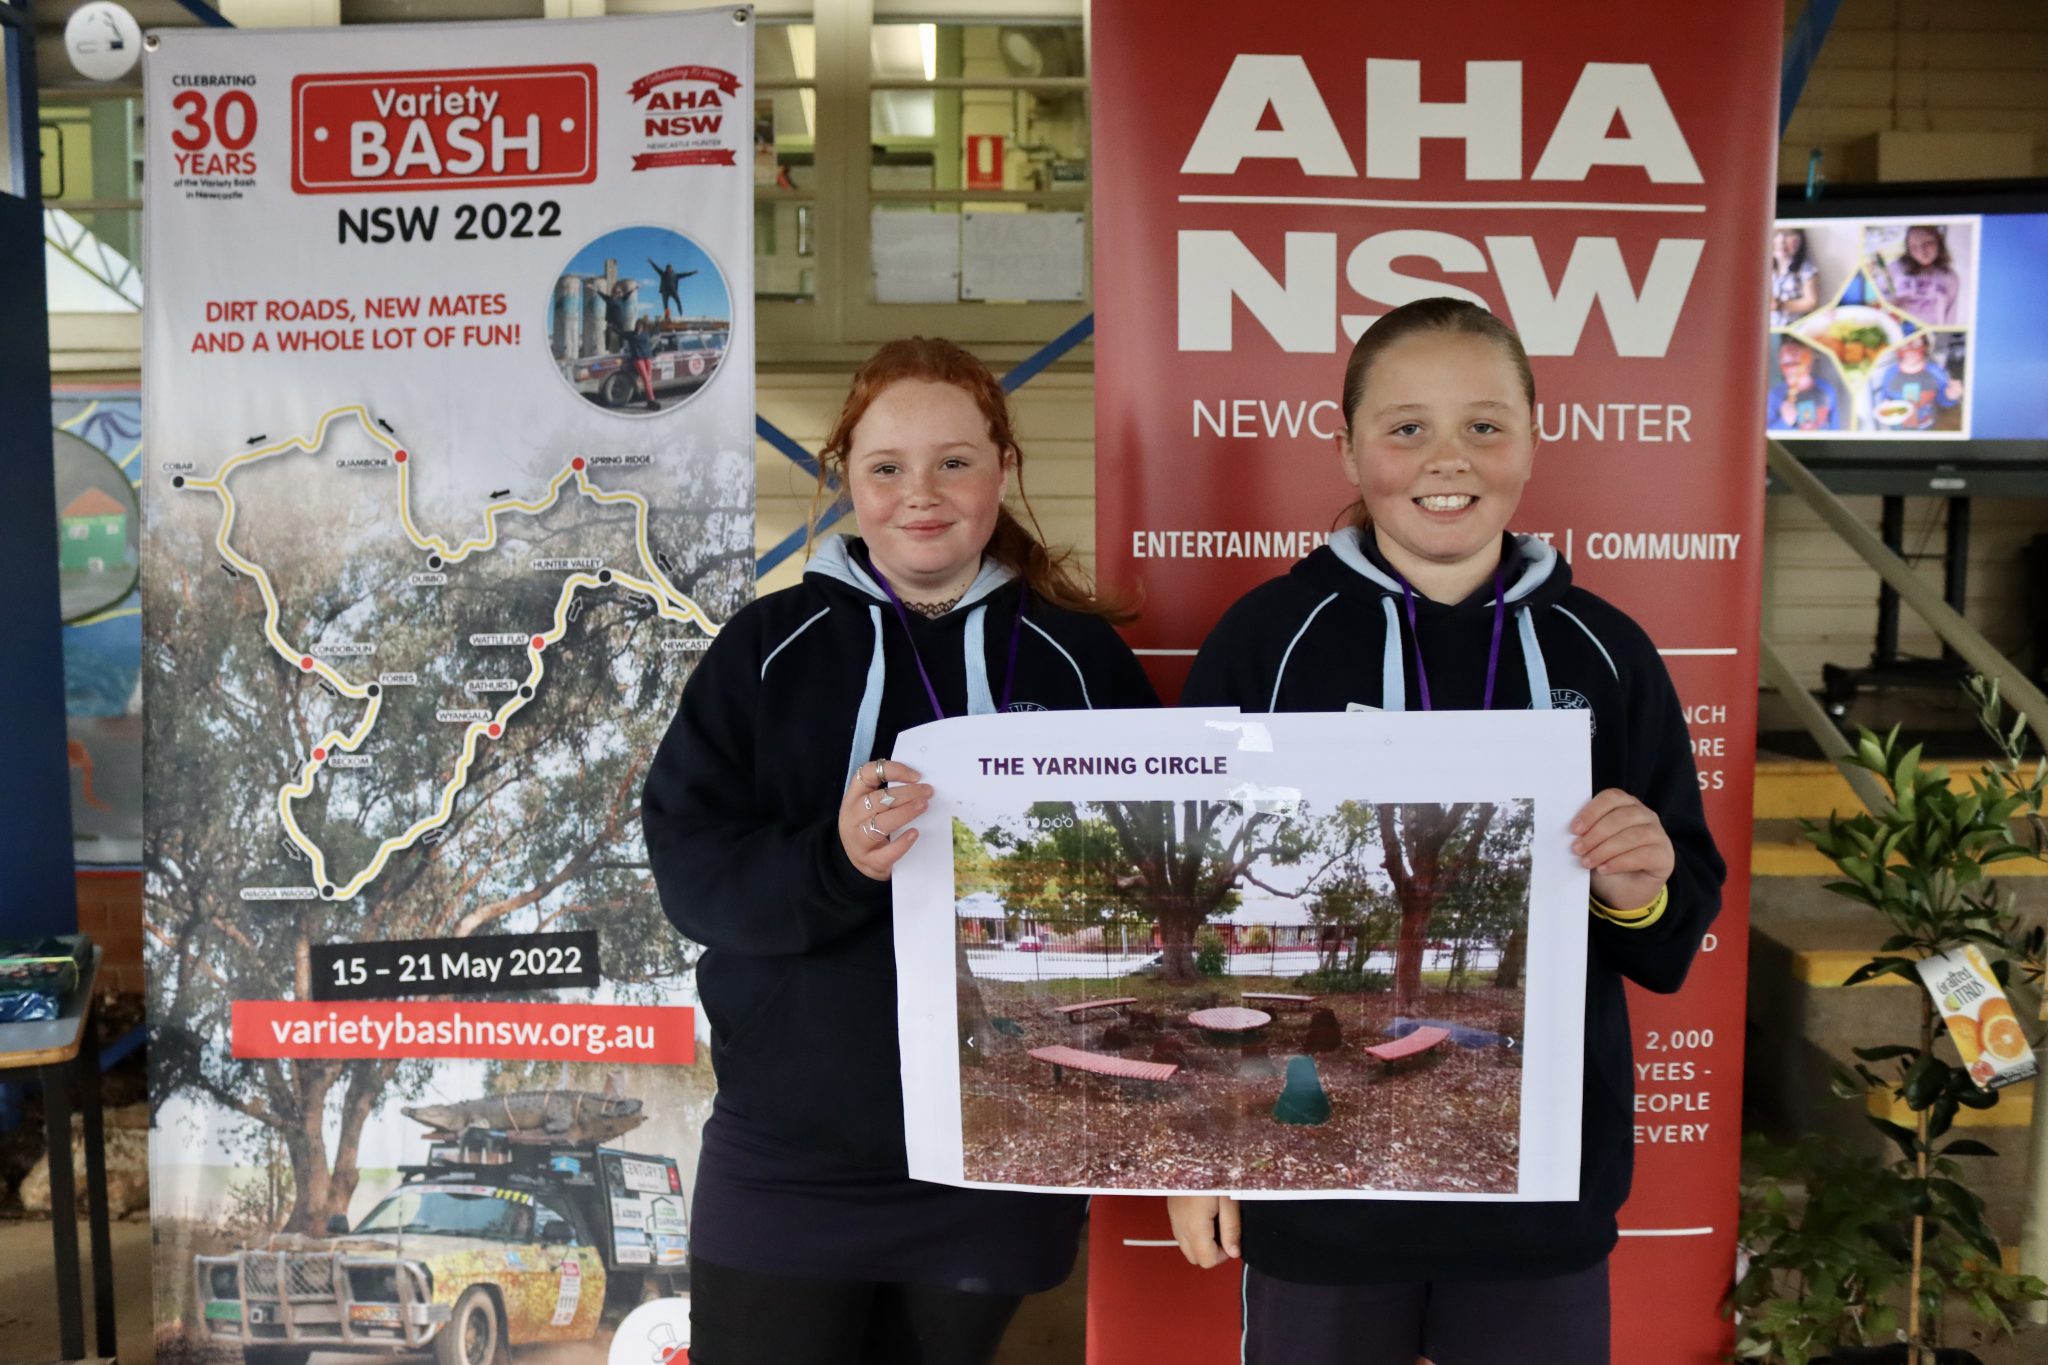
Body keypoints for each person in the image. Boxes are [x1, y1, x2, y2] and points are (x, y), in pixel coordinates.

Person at [1168, 297, 1725, 1365]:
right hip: (1315, 1201)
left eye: (1483, 424)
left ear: (1533, 438)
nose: (1447, 457)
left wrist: (1638, 889)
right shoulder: (1265, 642)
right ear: (1347, 447)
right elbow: (1208, 915)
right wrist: (1200, 1151)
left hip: (1540, 1196)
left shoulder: (1606, 651)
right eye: (1406, 426)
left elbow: (1666, 937)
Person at [641, 337, 1158, 1364]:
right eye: (887, 467)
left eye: (954, 462)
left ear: (1004, 468)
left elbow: (1147, 876)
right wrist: (833, 862)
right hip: (790, 1151)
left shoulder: (1080, 658)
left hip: (999, 1148)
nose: (921, 493)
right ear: (847, 479)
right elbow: (692, 875)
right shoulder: (765, 648)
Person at [1869, 334, 1963, 431]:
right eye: (1904, 345)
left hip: (1925, 427)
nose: (1910, 350)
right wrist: (1885, 402)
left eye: (1916, 343)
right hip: (1897, 428)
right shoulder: (1890, 372)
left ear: (1925, 346)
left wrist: (1950, 395)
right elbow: (1885, 395)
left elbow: (1943, 399)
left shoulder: (1935, 372)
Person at [1878, 224, 1961, 326]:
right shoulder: (1895, 268)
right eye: (1914, 247)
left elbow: (1950, 317)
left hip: (1931, 333)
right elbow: (1875, 298)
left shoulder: (1950, 277)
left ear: (1939, 242)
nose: (1922, 251)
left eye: (1927, 243)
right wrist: (1888, 302)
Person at [1767, 338, 1843, 432]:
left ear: (1809, 360)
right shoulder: (1775, 395)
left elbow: (1835, 428)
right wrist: (1784, 422)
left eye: (1796, 362)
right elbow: (1765, 434)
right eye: (1787, 363)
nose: (1792, 369)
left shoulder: (1826, 389)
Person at [1768, 227, 1820, 327]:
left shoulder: (1805, 269)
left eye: (1788, 234)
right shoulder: (1767, 270)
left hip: (1794, 327)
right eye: (1775, 234)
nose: (1781, 241)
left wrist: (1780, 305)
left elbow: (1811, 303)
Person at [624, 317, 661, 411]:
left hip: (648, 358)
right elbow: (621, 333)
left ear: (643, 326)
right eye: (638, 325)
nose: (639, 326)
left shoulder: (646, 333)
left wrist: (657, 321)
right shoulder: (632, 334)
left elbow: (656, 330)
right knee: (646, 379)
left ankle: (649, 402)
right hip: (638, 359)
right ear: (636, 326)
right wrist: (613, 328)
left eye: (640, 325)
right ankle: (652, 400)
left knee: (649, 380)